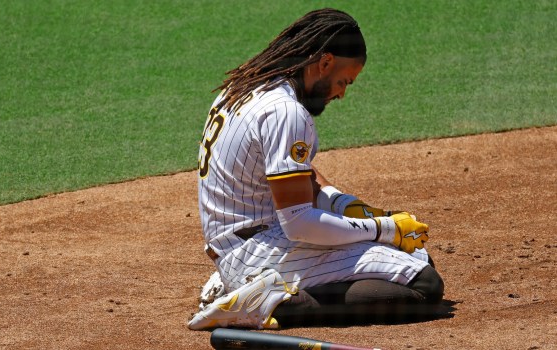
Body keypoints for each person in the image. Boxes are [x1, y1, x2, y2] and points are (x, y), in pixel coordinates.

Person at [188, 8, 444, 330]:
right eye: (343, 80)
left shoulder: (246, 87)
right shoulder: (286, 112)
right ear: (324, 63)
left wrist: (343, 204)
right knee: (423, 282)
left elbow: (293, 174)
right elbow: (300, 224)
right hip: (263, 251)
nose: (341, 94)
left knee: (415, 257)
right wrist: (383, 228)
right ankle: (272, 302)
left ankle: (241, 286)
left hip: (237, 246)